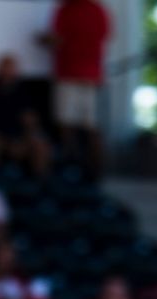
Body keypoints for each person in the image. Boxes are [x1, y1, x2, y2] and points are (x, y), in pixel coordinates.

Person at [45, 0, 112, 175]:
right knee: (89, 127)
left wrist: (46, 40)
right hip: (89, 76)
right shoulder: (98, 10)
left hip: (71, 74)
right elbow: (106, 36)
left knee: (68, 125)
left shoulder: (66, 10)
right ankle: (90, 174)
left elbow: (56, 39)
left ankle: (75, 169)